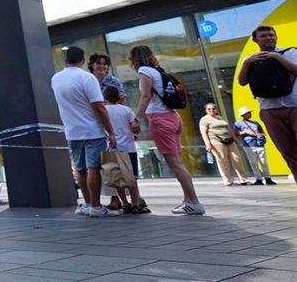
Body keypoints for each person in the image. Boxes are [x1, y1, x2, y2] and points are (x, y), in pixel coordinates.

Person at [132, 45, 204, 215]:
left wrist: (136, 118)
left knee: (175, 164)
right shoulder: (158, 70)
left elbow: (146, 96)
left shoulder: (144, 70)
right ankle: (188, 200)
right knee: (179, 162)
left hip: (159, 119)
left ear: (135, 59)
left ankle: (194, 202)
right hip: (173, 117)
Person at [51, 48, 119, 218]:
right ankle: (96, 206)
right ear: (83, 60)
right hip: (92, 130)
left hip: (72, 131)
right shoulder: (87, 78)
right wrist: (111, 131)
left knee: (79, 169)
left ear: (66, 60)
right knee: (93, 168)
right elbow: (99, 106)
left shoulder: (56, 78)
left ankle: (88, 204)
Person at [237, 25, 297, 179]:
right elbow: (242, 82)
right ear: (255, 40)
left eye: (271, 35)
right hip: (269, 110)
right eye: (264, 36)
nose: (269, 38)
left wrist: (276, 56)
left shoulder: (289, 52)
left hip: (294, 105)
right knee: (287, 152)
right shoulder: (251, 59)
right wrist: (246, 62)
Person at [102, 85, 148, 213]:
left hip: (112, 147)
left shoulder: (104, 111)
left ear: (104, 98)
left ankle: (125, 203)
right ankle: (135, 203)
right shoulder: (127, 110)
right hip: (129, 148)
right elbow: (134, 128)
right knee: (132, 178)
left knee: (116, 179)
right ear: (119, 97)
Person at [200, 103, 249, 186]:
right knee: (222, 160)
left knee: (237, 158)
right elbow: (203, 132)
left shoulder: (220, 118)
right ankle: (228, 180)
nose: (212, 110)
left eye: (214, 108)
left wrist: (236, 141)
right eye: (209, 109)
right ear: (206, 111)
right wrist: (207, 144)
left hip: (229, 140)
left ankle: (243, 179)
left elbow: (229, 130)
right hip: (216, 140)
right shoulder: (204, 119)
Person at [234, 106, 275, 185]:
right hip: (248, 145)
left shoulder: (256, 123)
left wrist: (258, 134)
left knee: (264, 162)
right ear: (243, 115)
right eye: (247, 113)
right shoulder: (238, 123)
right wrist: (246, 132)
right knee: (253, 163)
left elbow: (263, 133)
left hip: (259, 144)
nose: (249, 114)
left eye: (249, 113)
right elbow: (236, 133)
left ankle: (268, 178)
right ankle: (258, 178)